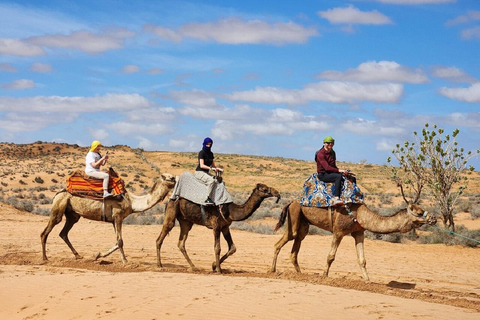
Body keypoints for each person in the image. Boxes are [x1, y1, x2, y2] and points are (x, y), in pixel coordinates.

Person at [315, 136, 355, 206]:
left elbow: (333, 166)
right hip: (323, 174)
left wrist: (343, 172)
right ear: (324, 143)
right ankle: (336, 198)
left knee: (351, 178)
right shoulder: (320, 154)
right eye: (328, 143)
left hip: (331, 172)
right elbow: (327, 167)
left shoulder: (332, 153)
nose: (330, 144)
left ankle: (352, 197)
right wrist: (339, 171)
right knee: (338, 177)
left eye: (332, 143)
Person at [194, 137, 223, 205]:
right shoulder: (202, 153)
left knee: (218, 181)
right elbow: (202, 165)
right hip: (199, 172)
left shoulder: (211, 154)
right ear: (204, 144)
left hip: (206, 172)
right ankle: (207, 198)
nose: (208, 146)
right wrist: (211, 169)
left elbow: (213, 165)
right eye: (207, 144)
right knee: (211, 181)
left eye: (210, 144)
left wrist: (217, 169)